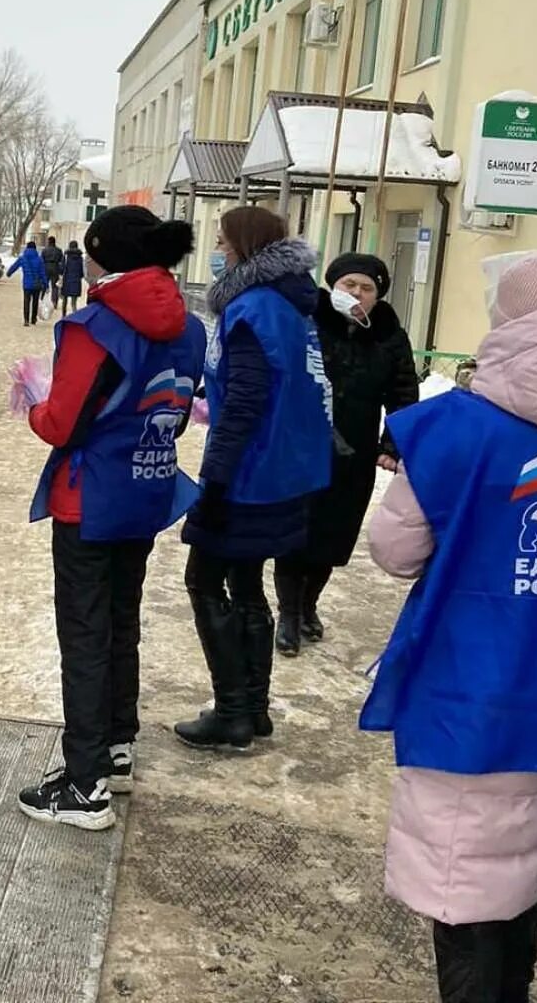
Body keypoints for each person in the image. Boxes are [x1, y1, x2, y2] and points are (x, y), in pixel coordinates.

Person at [361, 251, 537, 1003]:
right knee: (533, 855)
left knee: (462, 879)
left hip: (467, 695)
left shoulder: (453, 428)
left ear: (510, 319)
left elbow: (395, 552)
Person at [19, 206, 205, 830]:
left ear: (104, 254)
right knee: (121, 621)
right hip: (147, 491)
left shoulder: (91, 328)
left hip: (89, 497)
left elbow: (62, 423)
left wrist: (34, 406)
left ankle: (85, 782)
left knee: (85, 633)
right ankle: (116, 750)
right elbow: (176, 415)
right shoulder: (191, 329)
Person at [173, 207, 332, 752]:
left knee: (204, 579)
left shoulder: (251, 308)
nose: (218, 250)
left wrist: (213, 482)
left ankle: (234, 710)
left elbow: (245, 403)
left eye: (222, 241)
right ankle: (254, 709)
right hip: (289, 469)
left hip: (251, 472)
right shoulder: (292, 304)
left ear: (242, 245)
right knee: (246, 582)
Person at [273, 253, 418, 655]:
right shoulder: (308, 322)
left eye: (366, 288)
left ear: (377, 296)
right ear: (333, 285)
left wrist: (392, 443)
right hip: (302, 447)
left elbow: (404, 393)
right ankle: (287, 614)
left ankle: (308, 604)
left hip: (354, 451)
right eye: (348, 284)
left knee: (333, 535)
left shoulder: (388, 335)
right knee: (296, 532)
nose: (356, 293)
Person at [8, 240, 49, 326]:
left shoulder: (23, 258)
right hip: (37, 284)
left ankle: (26, 320)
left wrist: (9, 273)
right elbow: (42, 273)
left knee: (26, 301)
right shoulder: (39, 259)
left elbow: (14, 266)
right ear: (35, 248)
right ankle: (33, 319)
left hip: (27, 284)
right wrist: (46, 283)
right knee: (35, 302)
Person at [61, 239, 85, 315]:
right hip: (76, 280)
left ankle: (63, 315)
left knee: (64, 300)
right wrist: (79, 276)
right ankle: (74, 314)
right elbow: (82, 271)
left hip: (66, 280)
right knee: (74, 302)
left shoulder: (66, 256)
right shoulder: (80, 258)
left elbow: (62, 268)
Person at [42, 235, 66, 306]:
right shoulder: (59, 250)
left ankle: (41, 298)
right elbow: (62, 261)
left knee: (44, 284)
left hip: (46, 267)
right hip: (55, 267)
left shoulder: (45, 250)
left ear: (48, 242)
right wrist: (61, 271)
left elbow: (41, 260)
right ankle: (54, 301)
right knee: (55, 286)